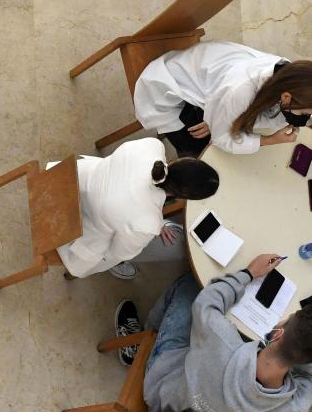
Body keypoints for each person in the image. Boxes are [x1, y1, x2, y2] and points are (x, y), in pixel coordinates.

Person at [117, 254, 312, 412]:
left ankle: (136, 346)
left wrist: (250, 273)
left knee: (189, 284)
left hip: (161, 398)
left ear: (277, 333)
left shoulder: (222, 340)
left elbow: (208, 300)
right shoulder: (298, 405)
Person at [56, 137, 219, 280]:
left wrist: (153, 218)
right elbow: (119, 253)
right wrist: (153, 221)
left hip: (74, 178)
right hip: (78, 223)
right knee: (120, 250)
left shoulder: (153, 145)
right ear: (183, 198)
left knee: (124, 226)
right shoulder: (147, 223)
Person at [134, 41, 312, 156]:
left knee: (226, 124)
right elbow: (222, 140)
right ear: (287, 97)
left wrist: (220, 116)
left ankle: (216, 112)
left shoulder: (290, 75)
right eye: (305, 112)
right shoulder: (239, 90)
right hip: (165, 89)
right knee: (200, 154)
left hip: (209, 80)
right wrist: (270, 140)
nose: (304, 118)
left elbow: (263, 109)